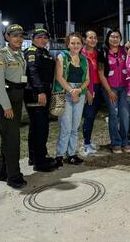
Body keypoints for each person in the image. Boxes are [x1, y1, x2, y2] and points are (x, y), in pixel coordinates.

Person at [0, 24, 28, 189]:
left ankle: (3, 173)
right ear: (7, 37)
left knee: (8, 139)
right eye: (14, 35)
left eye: (21, 36)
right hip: (6, 101)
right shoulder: (2, 55)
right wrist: (6, 106)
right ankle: (14, 177)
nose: (18, 39)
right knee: (12, 140)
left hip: (17, 98)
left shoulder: (19, 54)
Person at [54, 32, 89, 167]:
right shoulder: (62, 57)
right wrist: (71, 91)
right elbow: (59, 77)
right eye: (72, 43)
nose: (75, 45)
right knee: (66, 127)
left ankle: (72, 154)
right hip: (64, 93)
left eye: (78, 43)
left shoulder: (84, 60)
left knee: (75, 126)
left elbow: (87, 80)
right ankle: (59, 155)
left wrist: (79, 91)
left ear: (82, 45)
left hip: (79, 93)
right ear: (68, 44)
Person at [24, 27, 57, 172]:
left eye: (45, 37)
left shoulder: (45, 53)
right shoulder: (31, 52)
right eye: (39, 37)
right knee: (41, 127)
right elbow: (32, 72)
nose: (43, 40)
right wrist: (40, 91)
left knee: (36, 127)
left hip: (43, 92)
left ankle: (35, 157)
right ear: (32, 39)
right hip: (36, 93)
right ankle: (40, 162)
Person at [98, 29, 130, 153]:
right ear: (108, 38)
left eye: (117, 37)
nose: (115, 39)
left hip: (124, 88)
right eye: (112, 37)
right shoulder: (103, 52)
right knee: (114, 114)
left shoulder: (125, 51)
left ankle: (125, 141)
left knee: (125, 114)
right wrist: (109, 91)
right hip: (110, 88)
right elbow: (101, 74)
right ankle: (115, 142)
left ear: (120, 38)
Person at [81, 30, 102, 156]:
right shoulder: (80, 54)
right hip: (87, 88)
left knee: (92, 116)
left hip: (99, 87)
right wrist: (88, 90)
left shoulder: (98, 53)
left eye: (95, 37)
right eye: (90, 37)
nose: (93, 40)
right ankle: (86, 144)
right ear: (84, 40)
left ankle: (88, 140)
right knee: (88, 116)